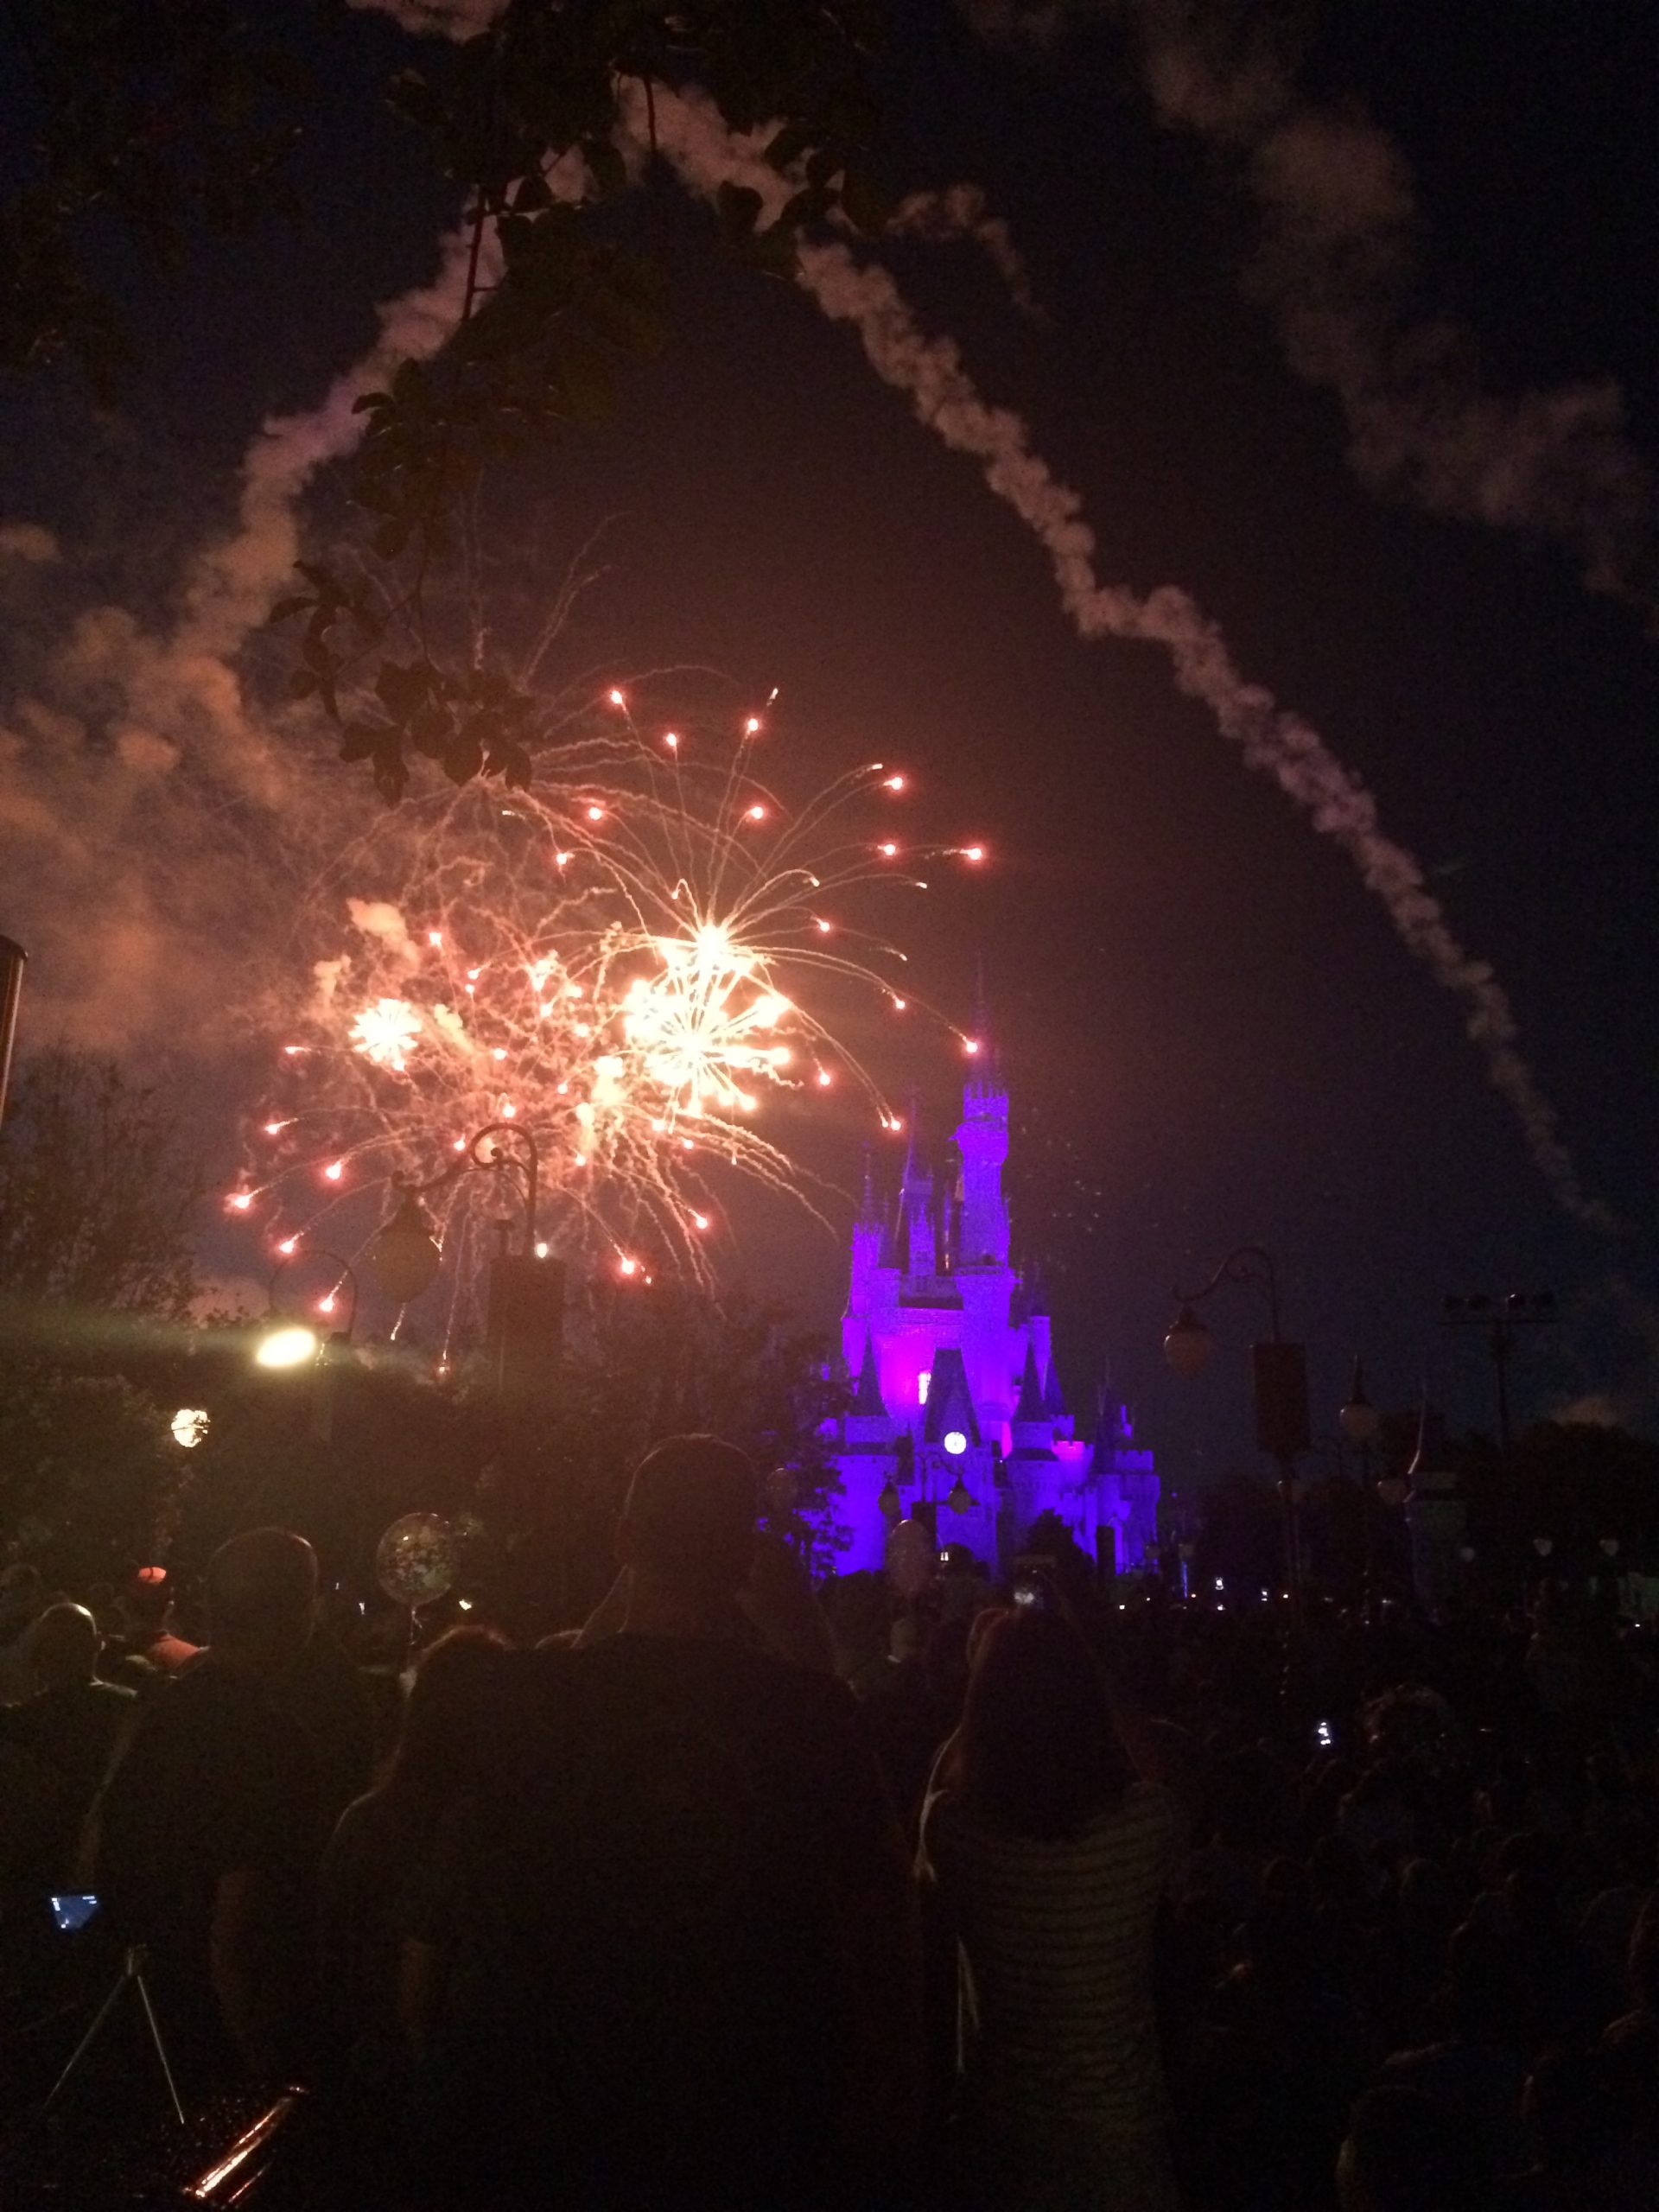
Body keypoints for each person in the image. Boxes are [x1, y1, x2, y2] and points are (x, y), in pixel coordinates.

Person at [410, 1434, 918, 2210]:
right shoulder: (813, 1716)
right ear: (750, 1557)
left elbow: (440, 1932)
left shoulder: (520, 1703)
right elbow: (882, 1928)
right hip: (758, 2132)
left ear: (622, 1542)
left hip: (557, 2131)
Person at [918, 1606, 1180, 2212]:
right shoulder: (1140, 1829)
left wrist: (981, 1687)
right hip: (1123, 2146)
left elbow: (934, 1799)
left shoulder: (957, 1835)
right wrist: (1088, 1669)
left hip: (1001, 2143)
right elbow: (1164, 1777)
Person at [98, 1529, 326, 2092]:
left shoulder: (159, 1709)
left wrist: (78, 1949)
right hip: (208, 2037)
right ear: (299, 1614)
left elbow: (97, 1841)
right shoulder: (274, 1741)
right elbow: (239, 1925)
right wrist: (268, 2069)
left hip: (134, 2000)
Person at [319, 1624, 510, 2075]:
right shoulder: (510, 1832)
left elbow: (331, 1950)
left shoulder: (367, 1821)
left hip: (366, 2057)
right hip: (467, 2067)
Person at [0, 1602, 136, 1887]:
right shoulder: (132, 1709)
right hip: (111, 1870)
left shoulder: (24, 1722)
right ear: (97, 1645)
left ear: (40, 1655)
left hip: (42, 1874)